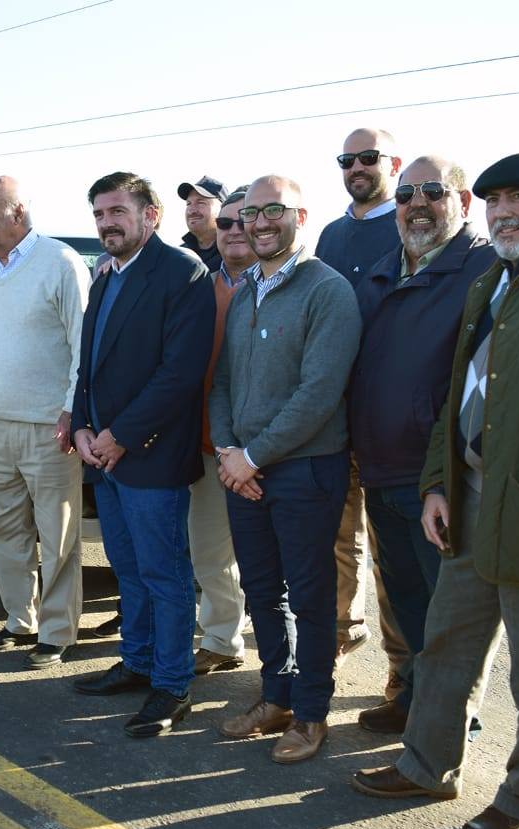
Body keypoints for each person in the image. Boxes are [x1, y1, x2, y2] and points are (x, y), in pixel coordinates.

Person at [352, 153, 519, 829]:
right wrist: (438, 483)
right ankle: (426, 766)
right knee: (446, 648)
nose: (505, 213)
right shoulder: (492, 279)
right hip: (471, 504)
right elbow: (457, 396)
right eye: (495, 201)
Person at [210, 175, 361, 763]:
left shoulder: (327, 290)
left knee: (311, 596)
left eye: (275, 209)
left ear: (301, 215)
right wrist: (229, 450)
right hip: (245, 472)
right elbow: (223, 382)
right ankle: (276, 697)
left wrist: (251, 457)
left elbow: (319, 393)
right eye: (251, 213)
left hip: (304, 470)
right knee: (261, 591)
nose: (261, 222)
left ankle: (312, 712)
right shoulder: (248, 288)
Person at [70, 172, 215, 738]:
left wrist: (122, 435)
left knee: (164, 574)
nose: (106, 223)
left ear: (150, 215)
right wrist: (82, 425)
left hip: (149, 454)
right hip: (103, 455)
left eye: (117, 212)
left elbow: (180, 372)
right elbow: (89, 364)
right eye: (99, 214)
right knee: (127, 569)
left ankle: (173, 684)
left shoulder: (182, 272)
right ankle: (137, 661)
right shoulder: (105, 275)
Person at [0, 176, 89, 669]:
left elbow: (83, 345)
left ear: (17, 212)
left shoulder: (60, 263)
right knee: (2, 529)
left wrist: (72, 410)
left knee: (57, 534)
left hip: (48, 428)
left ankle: (57, 632)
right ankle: (20, 621)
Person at [315, 128, 408, 696]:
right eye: (347, 159)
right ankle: (338, 638)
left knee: (394, 552)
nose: (357, 167)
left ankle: (404, 670)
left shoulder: (413, 224)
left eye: (369, 157)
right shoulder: (330, 234)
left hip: (394, 420)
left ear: (392, 163)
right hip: (335, 416)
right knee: (336, 542)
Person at [190, 189, 252, 676]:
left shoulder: (288, 286)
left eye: (243, 220)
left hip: (267, 452)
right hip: (209, 445)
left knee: (274, 563)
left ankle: (288, 662)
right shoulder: (199, 287)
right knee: (210, 553)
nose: (233, 230)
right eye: (225, 222)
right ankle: (222, 640)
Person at [177, 176, 228, 273]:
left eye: (200, 203)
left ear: (223, 208)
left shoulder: (236, 250)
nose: (191, 211)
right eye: (188, 204)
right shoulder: (179, 255)